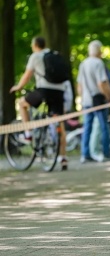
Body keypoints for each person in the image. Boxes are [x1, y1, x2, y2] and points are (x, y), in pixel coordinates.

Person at [9, 36, 69, 170]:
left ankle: (28, 134)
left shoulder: (36, 56)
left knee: (22, 104)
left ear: (35, 45)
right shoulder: (55, 55)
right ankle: (63, 158)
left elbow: (27, 75)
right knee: (59, 121)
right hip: (59, 91)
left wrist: (18, 87)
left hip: (44, 90)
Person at [77, 40, 110, 163]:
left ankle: (85, 153)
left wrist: (82, 97)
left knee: (87, 127)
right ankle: (106, 152)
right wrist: (109, 96)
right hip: (98, 99)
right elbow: (102, 83)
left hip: (87, 100)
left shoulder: (83, 64)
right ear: (99, 51)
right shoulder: (98, 63)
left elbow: (79, 84)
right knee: (104, 126)